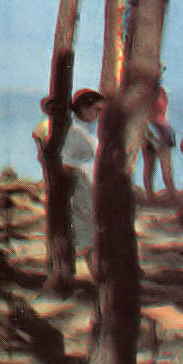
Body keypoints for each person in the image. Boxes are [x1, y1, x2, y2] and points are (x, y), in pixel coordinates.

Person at [63, 88, 103, 271]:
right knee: (88, 231)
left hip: (92, 184)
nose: (98, 115)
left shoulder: (90, 129)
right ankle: (95, 272)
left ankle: (98, 272)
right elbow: (66, 163)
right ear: (84, 108)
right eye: (97, 110)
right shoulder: (73, 131)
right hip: (82, 184)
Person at [141, 83, 176, 201]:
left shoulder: (147, 92)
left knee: (151, 166)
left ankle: (152, 196)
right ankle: (168, 194)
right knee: (162, 166)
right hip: (159, 127)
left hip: (151, 128)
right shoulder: (159, 92)